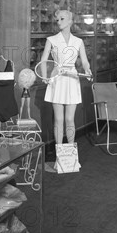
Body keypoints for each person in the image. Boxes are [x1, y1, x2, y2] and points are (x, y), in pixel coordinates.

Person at [40, 9, 91, 146]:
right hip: (57, 79)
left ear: (70, 21)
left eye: (62, 19)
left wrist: (87, 69)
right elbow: (43, 60)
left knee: (69, 119)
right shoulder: (51, 40)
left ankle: (69, 152)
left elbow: (84, 60)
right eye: (57, 20)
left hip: (72, 78)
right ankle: (59, 153)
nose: (59, 22)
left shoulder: (78, 41)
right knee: (58, 119)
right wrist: (45, 77)